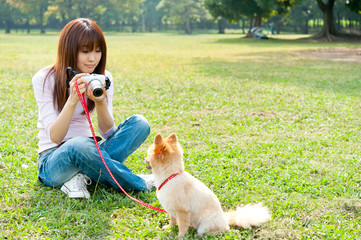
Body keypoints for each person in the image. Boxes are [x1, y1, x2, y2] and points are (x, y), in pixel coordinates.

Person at [32, 18, 154, 199]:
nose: (93, 58)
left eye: (98, 51)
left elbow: (107, 133)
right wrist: (73, 99)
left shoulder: (103, 77)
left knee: (140, 124)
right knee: (79, 144)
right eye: (85, 51)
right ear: (69, 50)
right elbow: (55, 137)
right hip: (54, 160)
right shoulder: (44, 78)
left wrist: (100, 102)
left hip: (92, 150)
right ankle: (139, 183)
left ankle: (82, 176)